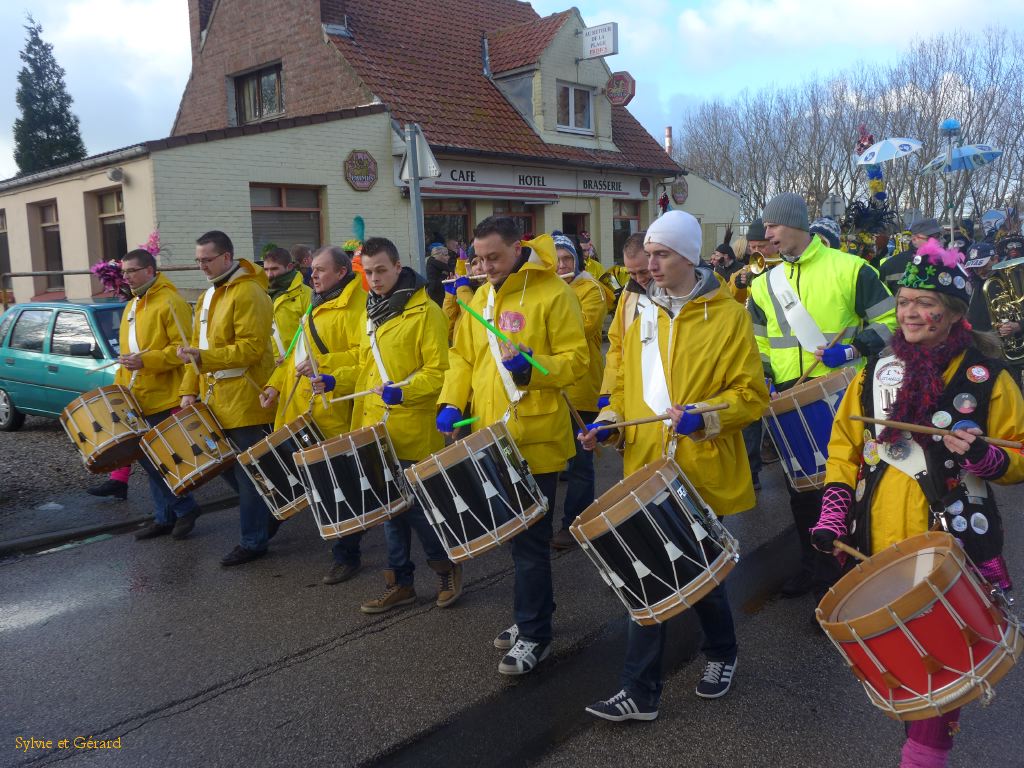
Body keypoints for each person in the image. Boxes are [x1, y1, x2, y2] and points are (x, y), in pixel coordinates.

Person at [810, 238, 1024, 768]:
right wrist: (834, 509)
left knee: (942, 665)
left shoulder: (986, 378)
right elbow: (846, 447)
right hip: (878, 534)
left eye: (925, 304)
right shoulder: (874, 370)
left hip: (954, 542)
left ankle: (924, 755)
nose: (910, 313)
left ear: (954, 315)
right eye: (904, 301)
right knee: (908, 656)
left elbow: (1018, 456)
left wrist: (986, 458)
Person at [579, 209, 769, 720]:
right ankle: (641, 692)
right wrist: (610, 420)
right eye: (650, 254)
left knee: (698, 572)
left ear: (687, 256)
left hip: (701, 462)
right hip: (646, 464)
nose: (650, 264)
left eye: (661, 254)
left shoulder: (726, 313)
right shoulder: (632, 307)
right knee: (652, 573)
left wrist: (704, 417)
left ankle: (722, 653)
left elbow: (751, 395)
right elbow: (621, 377)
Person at [436, 216, 587, 676]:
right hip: (489, 434)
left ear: (518, 248)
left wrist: (531, 367)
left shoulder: (552, 292)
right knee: (515, 538)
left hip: (535, 435)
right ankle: (533, 615)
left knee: (530, 542)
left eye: (493, 257)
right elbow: (462, 355)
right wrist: (449, 400)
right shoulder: (481, 295)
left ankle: (535, 633)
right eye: (479, 259)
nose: (484, 267)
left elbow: (576, 359)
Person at [748, 193, 897, 599]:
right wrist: (764, 375)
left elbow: (892, 321)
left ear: (795, 223)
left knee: (846, 490)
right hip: (789, 401)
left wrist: (851, 349)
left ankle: (848, 579)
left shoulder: (851, 270)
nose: (767, 234)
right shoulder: (763, 286)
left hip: (845, 397)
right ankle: (813, 569)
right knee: (802, 496)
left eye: (773, 226)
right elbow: (757, 343)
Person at [316, 237, 462, 612]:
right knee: (389, 512)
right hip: (375, 430)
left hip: (413, 428)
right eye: (369, 271)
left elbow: (440, 372)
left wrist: (404, 393)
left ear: (399, 267)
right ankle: (401, 583)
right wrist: (337, 380)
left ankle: (445, 569)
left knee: (418, 510)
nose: (376, 278)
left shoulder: (425, 312)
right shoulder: (372, 311)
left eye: (382, 270)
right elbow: (368, 370)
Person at [260, 246, 368, 583]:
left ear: (340, 273)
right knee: (319, 485)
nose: (313, 275)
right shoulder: (314, 304)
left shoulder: (356, 307)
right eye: (313, 270)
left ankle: (347, 555)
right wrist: (275, 385)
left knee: (337, 484)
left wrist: (327, 368)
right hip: (302, 405)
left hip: (333, 409)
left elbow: (362, 358)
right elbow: (296, 351)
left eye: (321, 270)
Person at [177, 231, 276, 566]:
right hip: (215, 396)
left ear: (226, 256)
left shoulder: (249, 291)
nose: (202, 266)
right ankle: (270, 510)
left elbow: (252, 348)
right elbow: (196, 346)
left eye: (207, 259)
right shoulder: (208, 295)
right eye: (198, 260)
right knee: (222, 465)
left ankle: (253, 540)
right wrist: (189, 389)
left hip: (247, 397)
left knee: (248, 473)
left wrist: (204, 359)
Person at [101, 249, 202, 540]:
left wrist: (148, 361)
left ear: (149, 270)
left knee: (157, 460)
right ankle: (165, 517)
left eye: (131, 271)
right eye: (124, 272)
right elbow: (127, 354)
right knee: (150, 460)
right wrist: (121, 388)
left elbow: (183, 350)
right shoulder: (133, 304)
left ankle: (184, 508)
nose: (126, 277)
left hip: (164, 394)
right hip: (137, 395)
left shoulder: (170, 301)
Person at [551, 232, 608, 550]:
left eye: (567, 259)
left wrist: (555, 296)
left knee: (582, 463)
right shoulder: (543, 289)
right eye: (556, 259)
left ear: (578, 260)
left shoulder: (592, 290)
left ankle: (575, 522)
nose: (561, 266)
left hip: (583, 386)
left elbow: (581, 328)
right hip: (551, 386)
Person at [596, 232, 649, 420]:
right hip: (630, 386)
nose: (639, 278)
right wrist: (608, 390)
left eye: (644, 271)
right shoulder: (628, 295)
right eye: (631, 273)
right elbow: (617, 344)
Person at [263, 247, 311, 364]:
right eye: (266, 269)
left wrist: (295, 356)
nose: (269, 275)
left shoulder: (307, 294)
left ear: (289, 267)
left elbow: (313, 335)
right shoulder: (259, 294)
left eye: (274, 269)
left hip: (296, 366)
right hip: (267, 369)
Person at [878, 218, 943, 290]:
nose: (936, 241)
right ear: (914, 239)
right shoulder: (892, 265)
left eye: (938, 237)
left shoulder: (948, 263)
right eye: (930, 238)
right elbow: (879, 297)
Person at [425, 241, 455, 307]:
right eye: (446, 255)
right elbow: (434, 285)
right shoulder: (437, 267)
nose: (448, 257)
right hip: (439, 300)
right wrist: (444, 276)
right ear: (438, 256)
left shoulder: (440, 266)